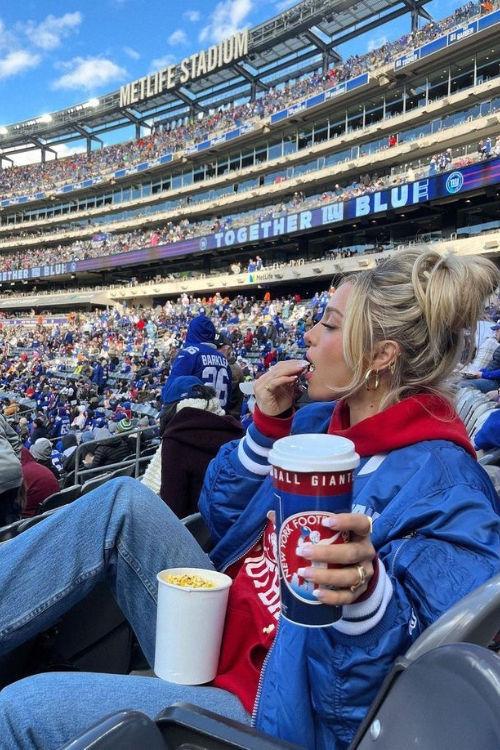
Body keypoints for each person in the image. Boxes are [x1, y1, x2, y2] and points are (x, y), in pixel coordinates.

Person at [0, 250, 500, 749]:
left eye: (328, 325)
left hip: (266, 706)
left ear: (379, 356)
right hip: (217, 633)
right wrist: (264, 427)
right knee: (120, 503)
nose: (308, 335)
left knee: (19, 709)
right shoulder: (312, 424)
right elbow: (221, 516)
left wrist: (367, 597)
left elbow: (396, 696)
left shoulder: (450, 487)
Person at [142, 376, 243, 516]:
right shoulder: (233, 429)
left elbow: (173, 508)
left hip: (191, 533)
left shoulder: (175, 440)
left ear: (172, 409)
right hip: (228, 523)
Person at [163, 314, 232, 411]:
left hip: (195, 418)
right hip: (219, 416)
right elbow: (229, 396)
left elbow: (169, 393)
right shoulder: (223, 359)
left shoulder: (189, 353)